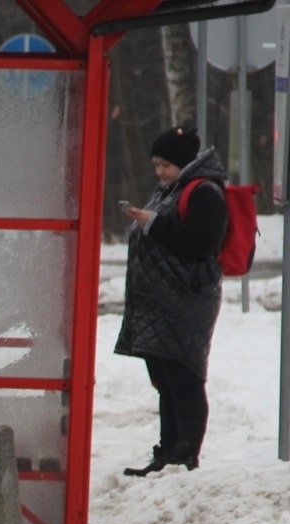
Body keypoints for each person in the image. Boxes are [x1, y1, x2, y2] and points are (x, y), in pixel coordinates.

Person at [115, 126, 227, 476]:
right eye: (156, 164)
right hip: (159, 304)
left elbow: (202, 243)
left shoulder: (203, 192)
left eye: (165, 164)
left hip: (185, 302)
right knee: (164, 379)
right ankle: (167, 453)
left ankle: (185, 453)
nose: (159, 171)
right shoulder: (171, 189)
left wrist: (152, 222)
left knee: (184, 377)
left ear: (182, 162)